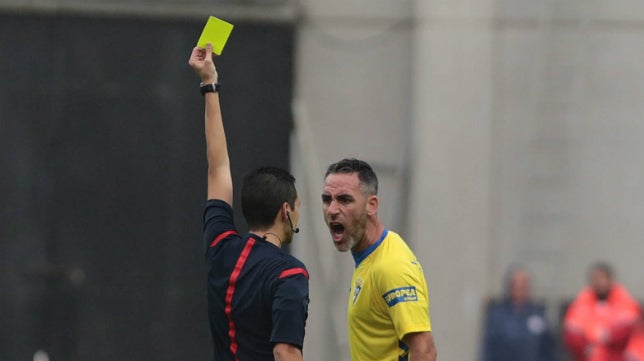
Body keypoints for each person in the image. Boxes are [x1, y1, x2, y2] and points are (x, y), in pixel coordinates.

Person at [189, 43, 309, 361]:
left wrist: (209, 85)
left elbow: (218, 168)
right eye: (298, 206)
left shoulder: (221, 248)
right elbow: (285, 352)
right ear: (286, 210)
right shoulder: (290, 274)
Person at [321, 158, 437, 361]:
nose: (332, 209)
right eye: (327, 199)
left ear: (371, 205)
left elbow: (425, 351)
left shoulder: (391, 266)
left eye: (345, 199)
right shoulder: (368, 258)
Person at [563, 262, 641, 361]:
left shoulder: (625, 300)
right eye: (595, 279)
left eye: (602, 278)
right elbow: (571, 334)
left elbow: (626, 330)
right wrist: (586, 345)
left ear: (610, 280)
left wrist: (601, 336)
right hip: (587, 356)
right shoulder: (581, 302)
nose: (598, 282)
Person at [479, 264, 556, 361]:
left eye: (524, 286)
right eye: (516, 285)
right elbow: (489, 349)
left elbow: (549, 349)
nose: (520, 290)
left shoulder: (538, 314)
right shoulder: (497, 315)